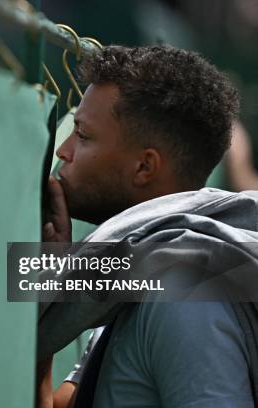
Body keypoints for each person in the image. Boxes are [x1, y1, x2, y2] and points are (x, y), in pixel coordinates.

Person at [37, 44, 258, 407]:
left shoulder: (183, 293)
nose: (64, 150)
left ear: (144, 167)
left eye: (83, 134)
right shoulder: (141, 267)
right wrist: (52, 275)